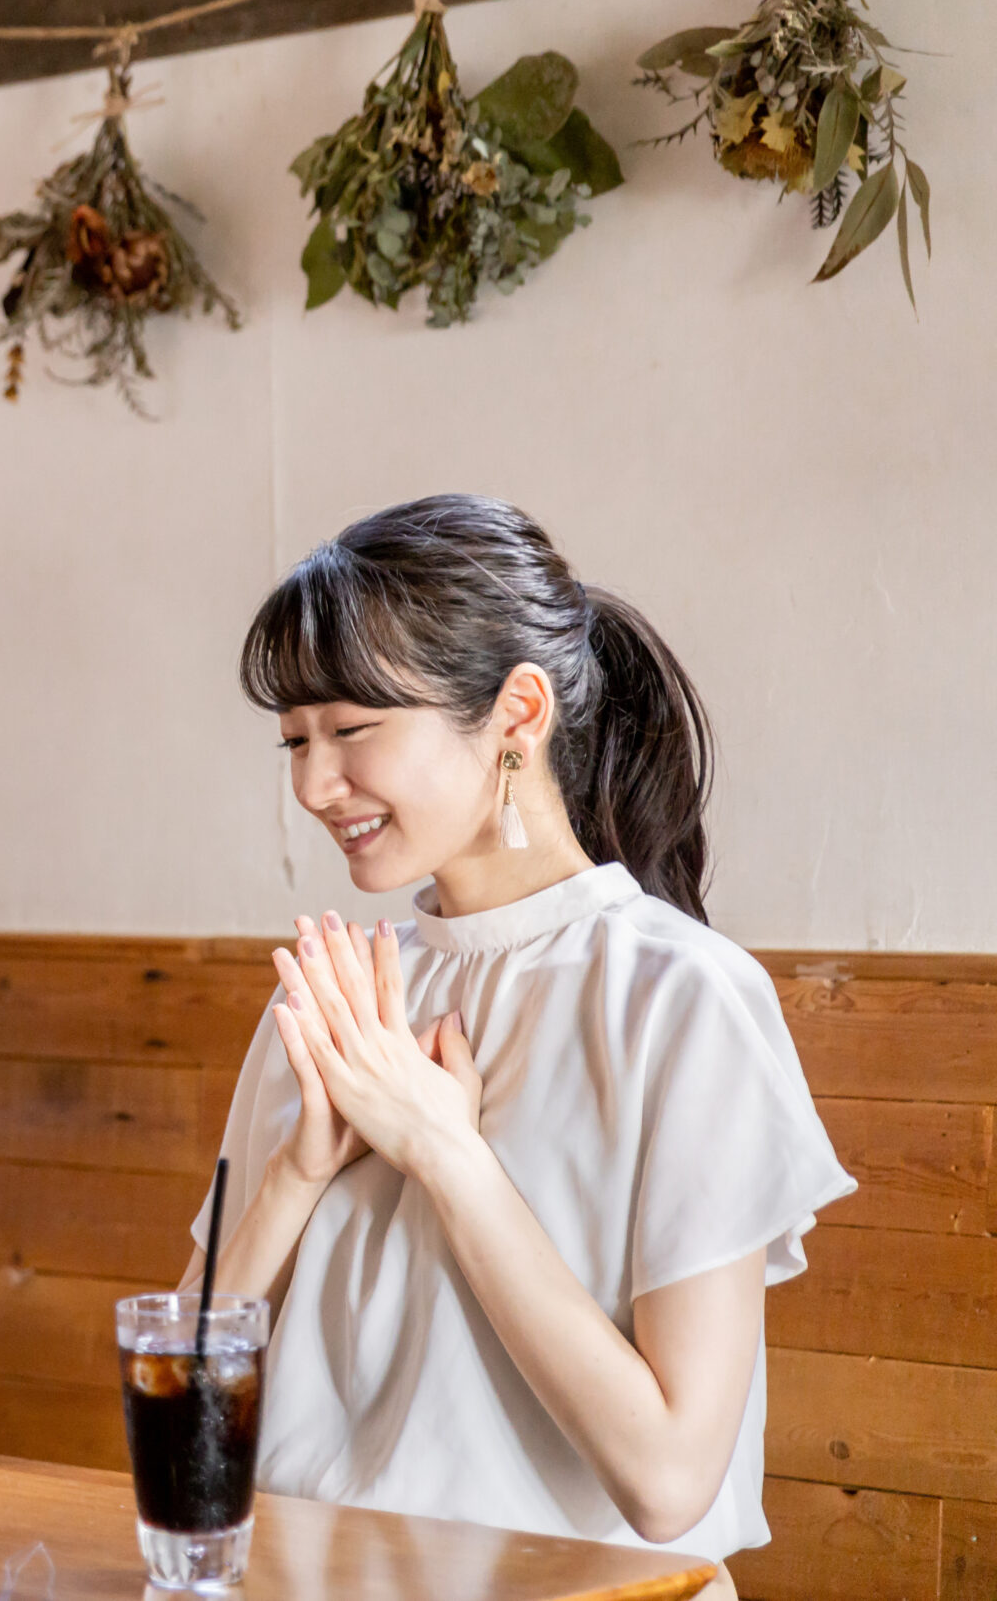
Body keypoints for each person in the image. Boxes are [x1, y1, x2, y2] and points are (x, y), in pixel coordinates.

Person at [187, 495, 851, 1581]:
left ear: (516, 713)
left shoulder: (681, 999)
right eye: (294, 743)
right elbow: (182, 1384)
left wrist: (446, 1155)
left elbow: (670, 1478)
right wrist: (296, 1175)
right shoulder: (335, 993)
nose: (313, 785)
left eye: (352, 731)